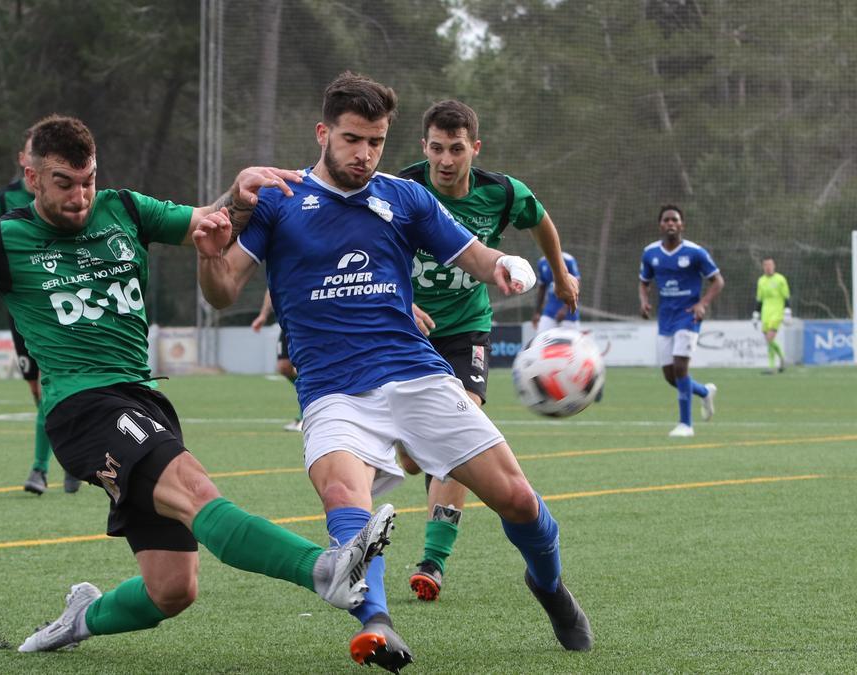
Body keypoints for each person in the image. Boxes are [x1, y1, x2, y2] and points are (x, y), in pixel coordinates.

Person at [0, 114, 394, 658]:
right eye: (63, 183)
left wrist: (236, 193)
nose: (79, 196)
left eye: (87, 181)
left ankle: (77, 621)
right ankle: (324, 569)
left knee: (173, 589)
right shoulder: (3, 239)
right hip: (80, 407)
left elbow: (205, 220)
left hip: (142, 400)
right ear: (31, 176)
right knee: (197, 489)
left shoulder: (125, 208)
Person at [195, 73, 594, 670]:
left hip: (416, 373)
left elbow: (475, 255)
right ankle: (377, 621)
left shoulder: (404, 197)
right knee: (342, 496)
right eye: (353, 139)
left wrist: (507, 264)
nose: (365, 154)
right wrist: (209, 254)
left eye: (377, 141)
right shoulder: (279, 199)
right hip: (332, 390)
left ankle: (550, 586)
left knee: (517, 499)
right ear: (323, 133)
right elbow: (222, 291)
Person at [396, 99, 581, 603]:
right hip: (408, 329)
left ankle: (433, 561)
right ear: (424, 147)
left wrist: (560, 277)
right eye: (437, 148)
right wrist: (401, 302)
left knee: (461, 425)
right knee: (414, 460)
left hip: (465, 329)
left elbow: (541, 221)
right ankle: (407, 447)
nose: (446, 160)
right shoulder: (401, 190)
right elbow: (373, 250)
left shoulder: (500, 193)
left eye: (457, 149)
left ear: (475, 148)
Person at [0, 128, 79, 496]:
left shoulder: (70, 197)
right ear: (24, 159)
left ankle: (40, 469)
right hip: (20, 311)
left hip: (58, 307)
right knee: (41, 394)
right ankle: (71, 460)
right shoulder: (3, 199)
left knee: (54, 388)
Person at [639, 204, 724, 438]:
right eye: (666, 220)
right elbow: (644, 282)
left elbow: (717, 281)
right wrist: (644, 301)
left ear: (682, 225)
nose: (670, 224)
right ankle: (704, 392)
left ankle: (686, 424)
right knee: (669, 375)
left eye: (675, 220)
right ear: (660, 225)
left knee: (680, 368)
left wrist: (702, 303)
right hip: (666, 318)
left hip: (688, 316)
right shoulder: (650, 253)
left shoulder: (695, 252)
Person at [250, 289, 301, 431]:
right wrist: (263, 315)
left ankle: (305, 416)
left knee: (306, 368)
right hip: (287, 320)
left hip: (307, 320)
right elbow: (271, 288)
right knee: (284, 367)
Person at [753, 257, 791, 374]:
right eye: (766, 265)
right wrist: (756, 314)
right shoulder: (761, 281)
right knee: (769, 340)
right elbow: (759, 299)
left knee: (769, 338)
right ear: (763, 267)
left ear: (774, 266)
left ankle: (771, 367)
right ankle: (782, 359)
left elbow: (786, 297)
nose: (768, 267)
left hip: (777, 313)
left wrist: (787, 312)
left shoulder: (780, 279)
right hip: (766, 313)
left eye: (770, 265)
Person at [534, 252, 582, 334]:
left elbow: (577, 286)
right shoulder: (542, 262)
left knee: (571, 344)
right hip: (549, 312)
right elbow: (542, 288)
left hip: (569, 314)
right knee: (541, 338)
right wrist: (537, 312)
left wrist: (565, 310)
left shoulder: (568, 260)